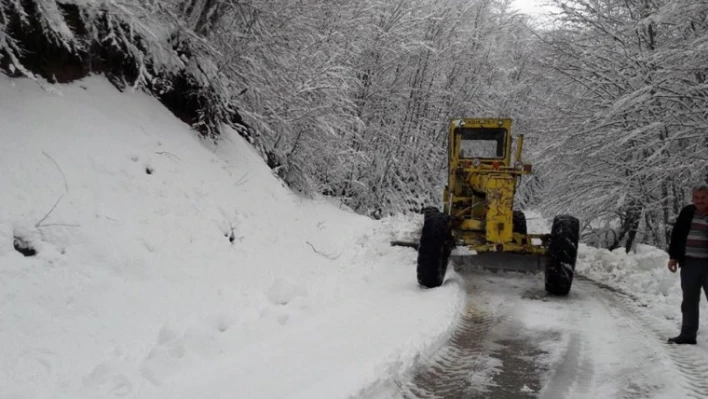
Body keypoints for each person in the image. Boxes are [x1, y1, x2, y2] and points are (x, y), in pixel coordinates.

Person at [667, 183, 708, 345]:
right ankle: (688, 334)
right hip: (689, 263)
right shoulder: (687, 212)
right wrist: (673, 257)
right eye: (696, 198)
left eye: (703, 198)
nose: (699, 201)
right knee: (689, 300)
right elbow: (677, 235)